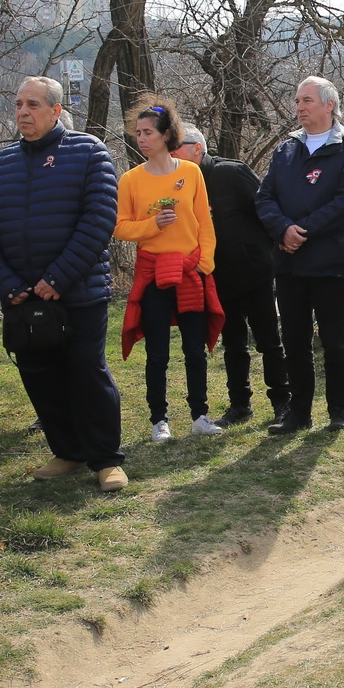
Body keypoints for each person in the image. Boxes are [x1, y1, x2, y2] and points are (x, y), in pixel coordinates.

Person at [0, 77, 126, 490]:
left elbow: (99, 219)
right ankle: (68, 451)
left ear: (56, 111)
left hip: (78, 291)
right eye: (18, 104)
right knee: (40, 376)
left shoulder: (88, 152)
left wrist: (57, 277)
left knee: (86, 372)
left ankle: (106, 459)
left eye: (33, 104)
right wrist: (6, 284)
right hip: (21, 297)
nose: (23, 112)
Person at [256, 76, 344, 433]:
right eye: (297, 101)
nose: (299, 107)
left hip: (332, 263)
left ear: (328, 105)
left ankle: (339, 411)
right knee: (294, 342)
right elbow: (264, 197)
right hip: (289, 263)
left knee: (335, 342)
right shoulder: (285, 151)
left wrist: (300, 230)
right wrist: (282, 230)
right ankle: (298, 413)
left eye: (307, 100)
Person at [116, 96, 221, 443]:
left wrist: (204, 264)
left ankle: (200, 416)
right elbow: (120, 227)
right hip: (154, 275)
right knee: (157, 352)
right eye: (138, 133)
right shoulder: (130, 180)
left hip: (191, 272)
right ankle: (159, 420)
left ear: (166, 135)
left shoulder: (191, 172)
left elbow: (205, 222)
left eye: (148, 132)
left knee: (194, 349)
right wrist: (152, 225)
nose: (141, 139)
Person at [182, 125, 290, 428]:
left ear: (197, 148)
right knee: (233, 344)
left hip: (254, 272)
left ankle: (283, 402)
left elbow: (267, 209)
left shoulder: (230, 173)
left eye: (176, 145)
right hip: (217, 276)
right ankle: (240, 405)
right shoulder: (179, 182)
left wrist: (269, 252)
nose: (171, 152)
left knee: (269, 341)